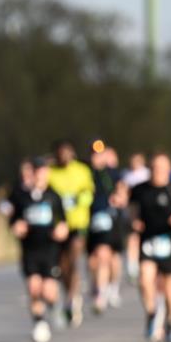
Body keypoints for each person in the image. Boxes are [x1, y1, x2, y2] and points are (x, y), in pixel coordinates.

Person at [129, 153, 171, 342]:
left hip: (169, 241)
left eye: (161, 168)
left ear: (168, 170)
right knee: (144, 278)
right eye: (154, 167)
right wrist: (133, 221)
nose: (157, 171)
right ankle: (152, 313)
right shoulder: (140, 189)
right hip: (148, 240)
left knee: (168, 286)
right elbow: (132, 208)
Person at [8, 157, 69, 342]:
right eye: (36, 172)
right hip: (30, 249)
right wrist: (16, 226)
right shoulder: (21, 196)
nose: (39, 176)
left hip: (50, 249)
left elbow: (64, 222)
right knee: (34, 287)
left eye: (43, 172)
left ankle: (55, 305)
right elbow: (13, 219)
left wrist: (62, 229)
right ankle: (39, 322)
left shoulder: (54, 196)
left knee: (49, 291)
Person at [48, 140, 95, 327]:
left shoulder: (82, 170)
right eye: (60, 155)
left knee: (73, 260)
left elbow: (89, 192)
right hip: (58, 226)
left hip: (77, 222)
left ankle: (72, 298)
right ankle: (69, 293)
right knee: (62, 265)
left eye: (67, 154)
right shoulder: (51, 172)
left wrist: (78, 200)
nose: (64, 158)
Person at [86, 140, 128, 314]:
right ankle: (98, 287)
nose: (97, 158)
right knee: (94, 259)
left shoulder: (112, 173)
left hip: (111, 219)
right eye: (94, 154)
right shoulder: (87, 173)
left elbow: (123, 190)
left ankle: (106, 290)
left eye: (100, 154)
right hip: (91, 221)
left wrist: (120, 198)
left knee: (108, 255)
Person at [122, 152, 151, 280]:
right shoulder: (126, 175)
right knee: (133, 237)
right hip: (133, 210)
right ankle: (132, 264)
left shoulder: (147, 174)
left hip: (147, 211)